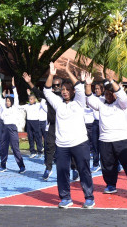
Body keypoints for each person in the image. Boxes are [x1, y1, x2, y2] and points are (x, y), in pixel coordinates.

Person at [41, 62, 95, 208]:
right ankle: (65, 198)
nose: (64, 92)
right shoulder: (58, 103)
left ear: (73, 91)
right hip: (62, 145)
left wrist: (67, 71)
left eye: (67, 89)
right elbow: (46, 91)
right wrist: (51, 74)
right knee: (62, 172)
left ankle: (89, 197)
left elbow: (80, 88)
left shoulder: (79, 102)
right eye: (63, 89)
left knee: (84, 171)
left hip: (80, 143)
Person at [87, 71, 127, 195]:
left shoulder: (122, 103)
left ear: (115, 94)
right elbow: (89, 99)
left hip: (123, 139)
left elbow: (121, 95)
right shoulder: (100, 102)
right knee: (108, 165)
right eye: (106, 93)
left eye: (111, 93)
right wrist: (88, 84)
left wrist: (112, 80)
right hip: (105, 140)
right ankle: (111, 185)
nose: (108, 96)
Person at [0, 79, 26, 173]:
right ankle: (3, 166)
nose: (7, 102)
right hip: (4, 129)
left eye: (9, 101)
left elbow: (16, 97)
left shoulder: (15, 107)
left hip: (12, 128)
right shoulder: (4, 108)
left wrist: (13, 86)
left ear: (12, 102)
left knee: (15, 148)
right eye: (6, 101)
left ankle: (21, 166)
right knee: (3, 148)